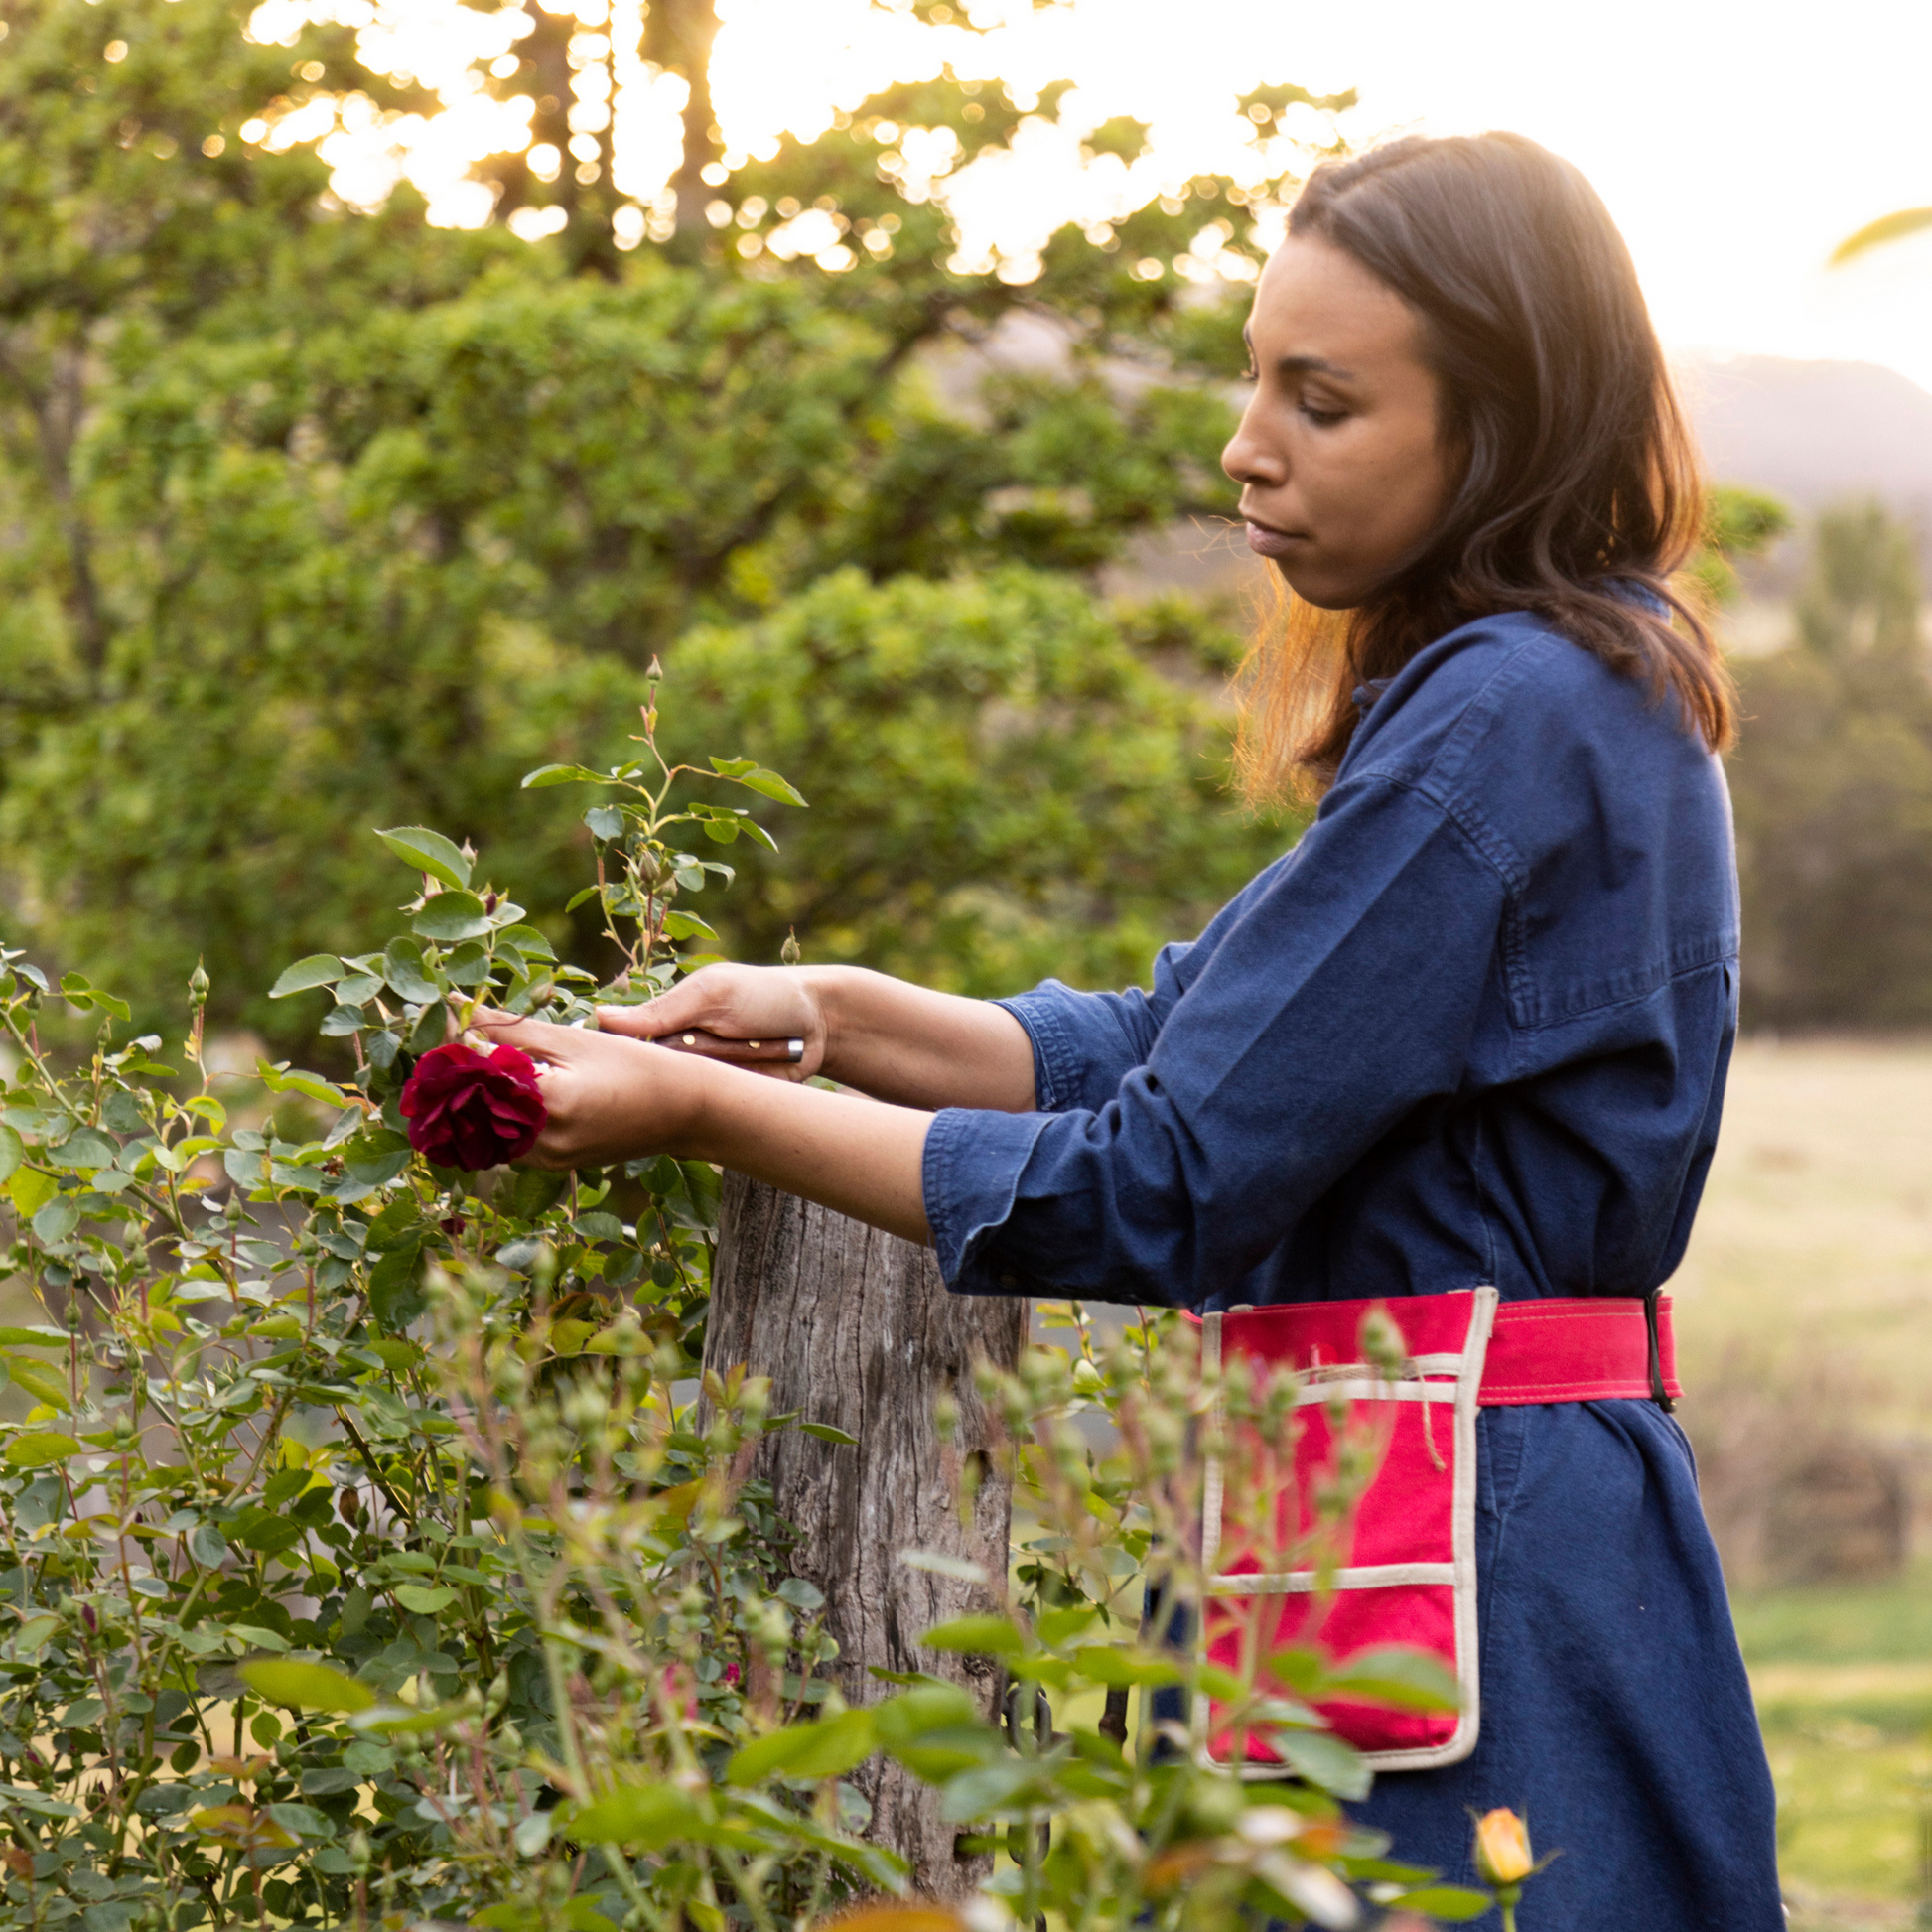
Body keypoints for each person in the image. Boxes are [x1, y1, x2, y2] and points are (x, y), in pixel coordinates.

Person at [482, 132, 1784, 1929]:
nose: (1244, 444)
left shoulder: (1505, 717)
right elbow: (1185, 1040)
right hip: (1480, 1519)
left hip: (1466, 1557)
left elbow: (1163, 1180)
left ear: (1499, 423)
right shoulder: (1569, 686)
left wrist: (696, 1117)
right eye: (1253, 377)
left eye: (1319, 402)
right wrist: (828, 1014)